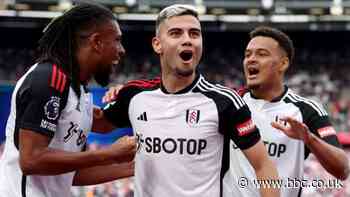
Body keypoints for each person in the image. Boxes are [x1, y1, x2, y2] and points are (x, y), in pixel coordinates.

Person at [99, 4, 280, 197]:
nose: (187, 40)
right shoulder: (133, 95)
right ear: (157, 44)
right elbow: (95, 123)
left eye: (194, 34)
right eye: (176, 33)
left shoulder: (225, 102)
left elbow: (264, 166)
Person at [0, 3, 136, 197]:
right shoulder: (49, 78)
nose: (121, 50)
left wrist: (133, 168)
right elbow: (31, 160)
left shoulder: (79, 90)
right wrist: (109, 153)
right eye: (117, 40)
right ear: (97, 42)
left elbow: (71, 173)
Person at [222, 26, 349, 197]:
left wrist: (309, 139)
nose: (251, 59)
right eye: (247, 54)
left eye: (261, 54)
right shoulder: (230, 103)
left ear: (283, 63)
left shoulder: (306, 110)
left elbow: (343, 169)